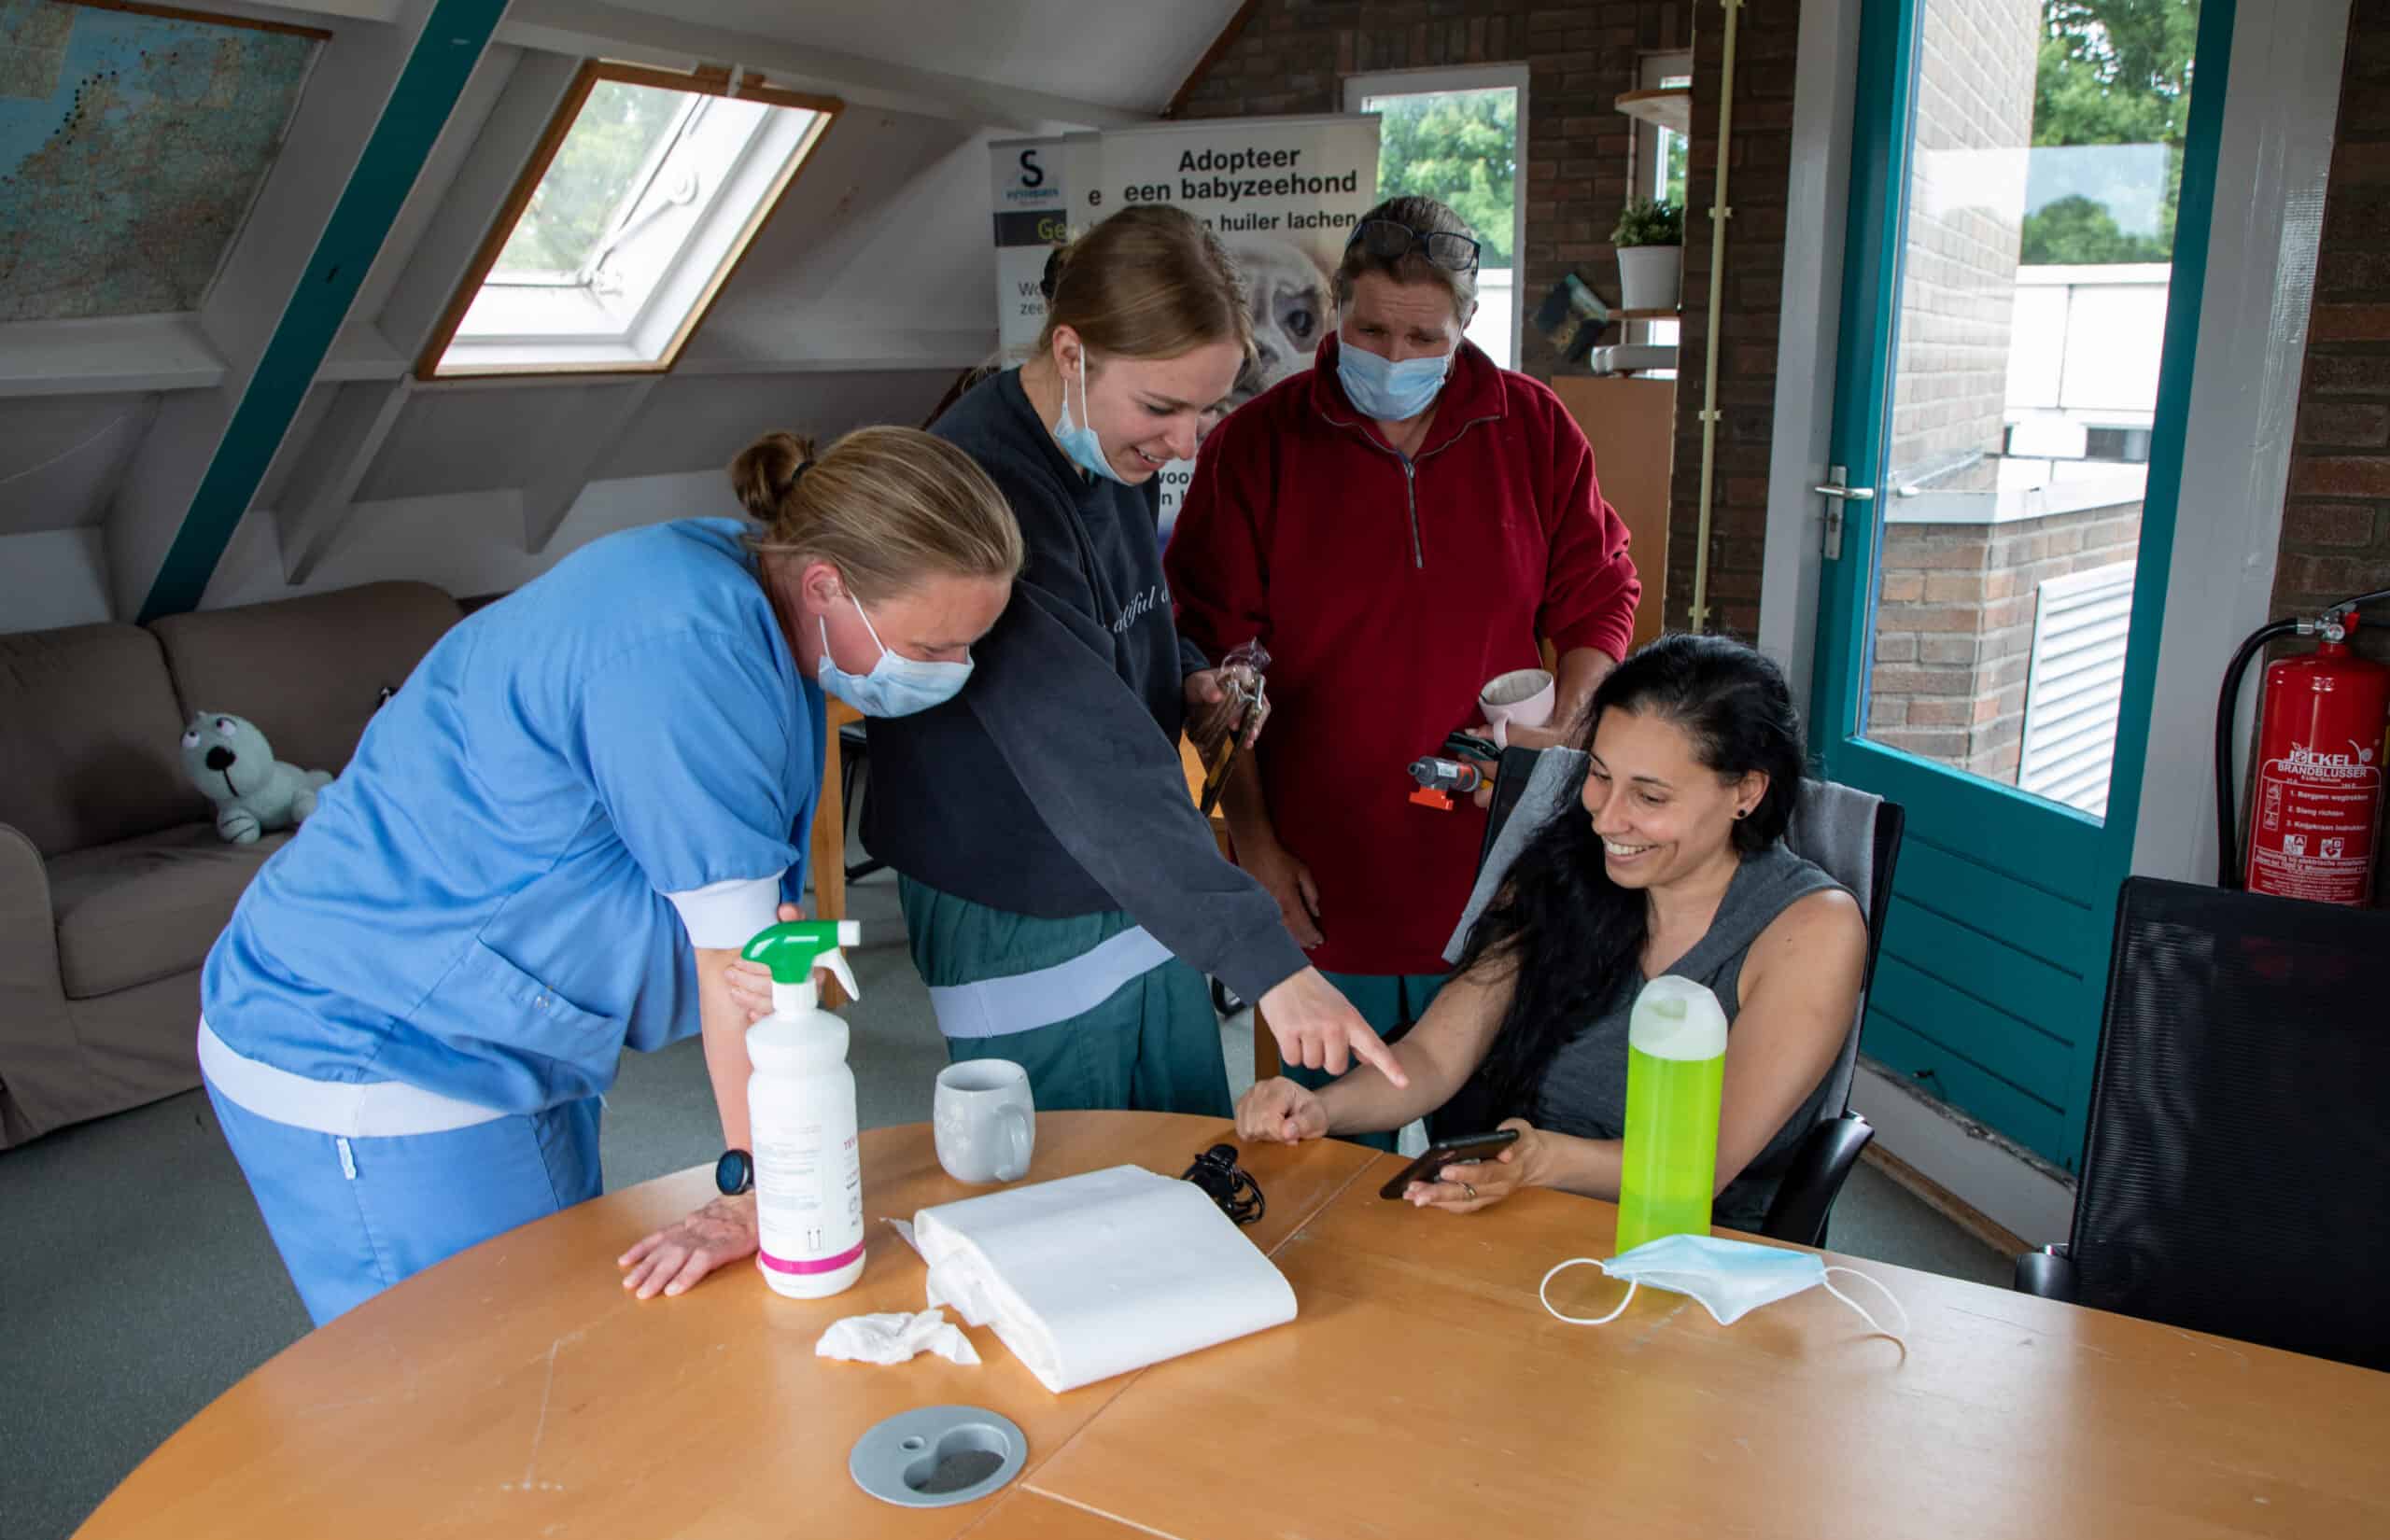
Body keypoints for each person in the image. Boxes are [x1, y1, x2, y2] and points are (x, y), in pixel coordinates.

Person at [198, 427, 1023, 1324]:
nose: (954, 672)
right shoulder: (690, 651)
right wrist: (759, 1193)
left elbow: (747, 929)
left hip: (513, 1040)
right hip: (372, 1040)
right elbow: (739, 971)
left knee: (569, 1351)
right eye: (934, 645)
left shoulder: (739, 588)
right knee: (475, 1402)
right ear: (826, 582)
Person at [851, 203, 1405, 1114]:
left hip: (1137, 869)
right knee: (1078, 1191)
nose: (1188, 442)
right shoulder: (988, 495)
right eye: (1163, 407)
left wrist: (1185, 672)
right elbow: (1085, 758)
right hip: (1017, 890)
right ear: (1072, 354)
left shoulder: (1107, 450)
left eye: (1208, 408)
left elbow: (1117, 618)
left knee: (1183, 1151)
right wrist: (1266, 962)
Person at [1167, 196, 1642, 1132]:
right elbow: (1215, 661)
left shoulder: (1532, 428)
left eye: (1422, 336)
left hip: (1488, 862)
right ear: (1337, 312)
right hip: (1317, 866)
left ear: (1467, 326)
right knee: (1326, 1149)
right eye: (1370, 328)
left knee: (1484, 1143)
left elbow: (1599, 593)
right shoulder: (1256, 445)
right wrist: (1254, 846)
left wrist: (1562, 730)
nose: (1390, 356)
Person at [1233, 635, 1868, 1232]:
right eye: (1599, 775)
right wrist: (1319, 1108)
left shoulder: (1809, 929)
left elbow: (1696, 1170)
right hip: (1522, 1216)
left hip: (1689, 1251)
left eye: (1649, 797)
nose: (1607, 817)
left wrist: (1540, 1161)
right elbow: (1432, 1057)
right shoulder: (1565, 870)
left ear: (1746, 793)